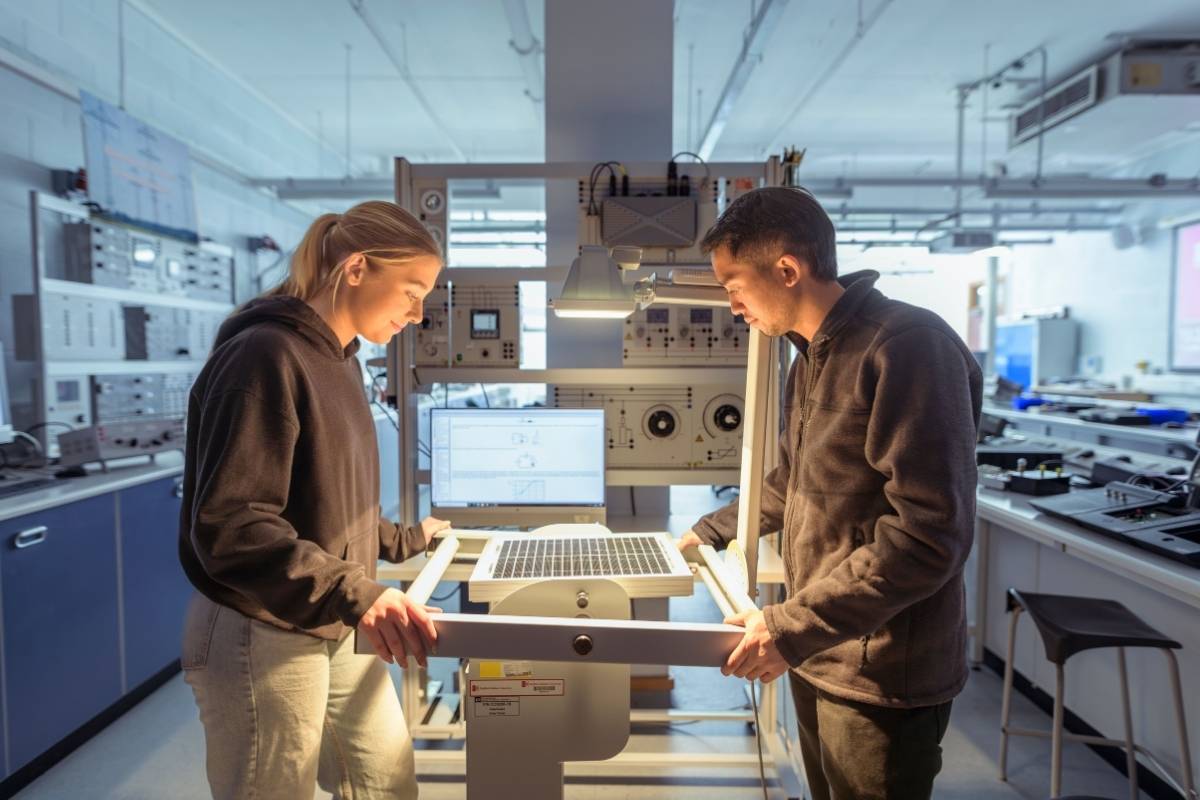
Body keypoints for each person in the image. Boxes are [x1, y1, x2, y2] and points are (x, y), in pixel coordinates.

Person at [678, 187, 982, 799]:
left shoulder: (906, 347)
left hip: (879, 673)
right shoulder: (810, 358)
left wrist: (790, 626)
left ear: (787, 270)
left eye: (735, 285)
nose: (732, 306)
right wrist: (707, 532)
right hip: (819, 649)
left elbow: (927, 536)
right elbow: (793, 485)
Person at [178, 201, 449, 800]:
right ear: (356, 268)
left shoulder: (341, 360)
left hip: (327, 617)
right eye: (411, 291)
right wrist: (356, 593)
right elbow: (233, 524)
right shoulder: (265, 355)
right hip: (260, 623)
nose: (419, 312)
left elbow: (328, 498)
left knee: (385, 782)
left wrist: (404, 541)